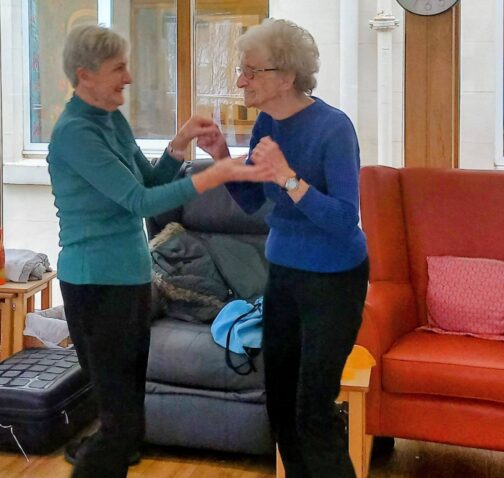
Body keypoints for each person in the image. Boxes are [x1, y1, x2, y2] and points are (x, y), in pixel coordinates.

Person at [48, 25, 264, 478]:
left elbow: (148, 182)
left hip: (131, 279)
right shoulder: (74, 133)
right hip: (93, 282)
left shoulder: (111, 119)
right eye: (118, 69)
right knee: (117, 422)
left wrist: (180, 144)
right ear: (85, 75)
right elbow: (139, 202)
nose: (128, 78)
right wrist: (215, 174)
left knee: (129, 420)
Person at [196, 18, 368, 478]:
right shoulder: (268, 124)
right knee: (281, 412)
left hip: (335, 280)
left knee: (313, 411)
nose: (240, 80)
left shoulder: (333, 129)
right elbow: (253, 200)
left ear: (286, 77)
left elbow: (343, 218)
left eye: (251, 71)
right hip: (284, 276)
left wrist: (290, 178)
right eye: (241, 69)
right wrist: (220, 156)